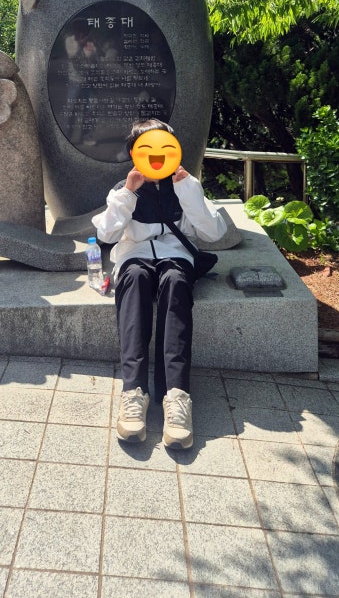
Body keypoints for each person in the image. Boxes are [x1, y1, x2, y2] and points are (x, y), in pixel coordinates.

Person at [92, 118, 227, 449]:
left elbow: (213, 233)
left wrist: (188, 191)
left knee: (176, 280)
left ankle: (176, 394)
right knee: (135, 277)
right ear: (134, 153)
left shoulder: (185, 185)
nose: (156, 156)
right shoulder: (122, 189)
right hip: (134, 257)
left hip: (175, 257)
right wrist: (128, 194)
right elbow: (105, 234)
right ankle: (133, 392)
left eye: (164, 148)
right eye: (147, 149)